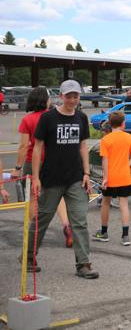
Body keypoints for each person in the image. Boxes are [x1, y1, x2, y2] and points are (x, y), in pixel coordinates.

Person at [25, 80, 98, 278]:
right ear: (61, 96)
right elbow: (38, 148)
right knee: (43, 219)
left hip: (75, 178)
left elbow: (83, 147)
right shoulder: (48, 118)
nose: (73, 99)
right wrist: (37, 177)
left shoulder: (82, 118)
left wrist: (86, 173)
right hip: (51, 178)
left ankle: (83, 264)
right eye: (69, 96)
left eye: (76, 96)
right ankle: (29, 257)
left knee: (80, 221)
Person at [16, 87, 73, 247]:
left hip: (31, 161)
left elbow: (23, 146)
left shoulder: (28, 120)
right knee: (58, 194)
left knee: (33, 198)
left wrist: (17, 167)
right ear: (45, 100)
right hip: (51, 162)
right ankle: (67, 226)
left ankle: (33, 232)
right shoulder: (53, 117)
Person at [92, 111, 131, 246]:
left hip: (111, 176)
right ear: (123, 123)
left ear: (110, 124)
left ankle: (104, 232)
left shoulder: (106, 140)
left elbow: (105, 159)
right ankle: (125, 235)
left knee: (105, 202)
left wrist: (105, 177)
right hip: (124, 175)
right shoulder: (128, 137)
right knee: (124, 204)